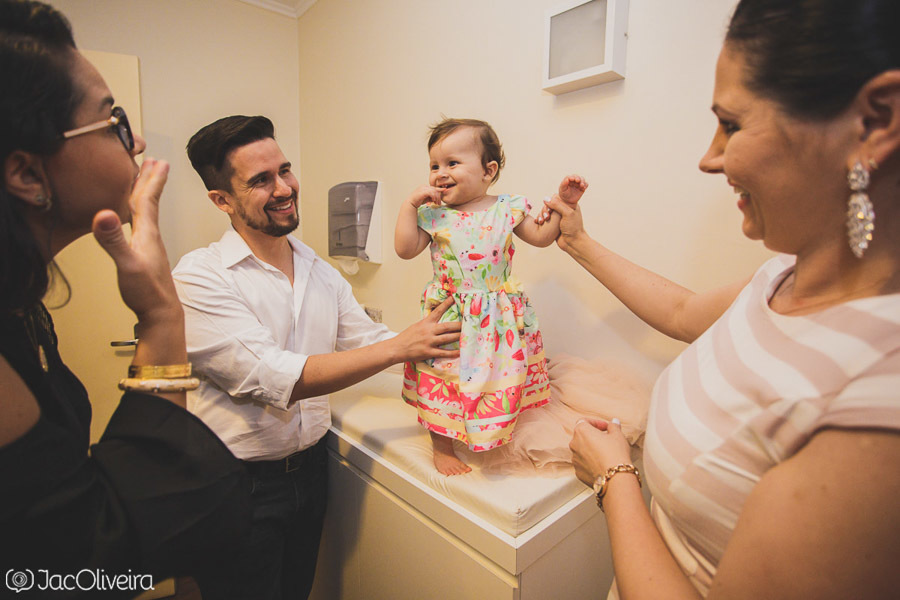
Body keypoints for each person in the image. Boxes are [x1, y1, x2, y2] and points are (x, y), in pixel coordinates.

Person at [549, 0, 900, 597]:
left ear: (874, 121)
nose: (710, 158)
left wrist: (615, 479)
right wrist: (578, 242)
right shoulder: (788, 274)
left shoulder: (877, 397)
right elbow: (685, 314)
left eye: (732, 124)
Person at [0, 0, 250, 590]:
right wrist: (161, 315)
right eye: (111, 121)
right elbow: (78, 567)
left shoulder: (22, 311)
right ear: (29, 174)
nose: (135, 138)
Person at [173, 114, 462, 600]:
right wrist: (402, 345)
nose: (285, 188)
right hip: (237, 486)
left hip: (310, 472)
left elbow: (369, 339)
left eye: (285, 170)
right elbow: (266, 374)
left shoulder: (318, 271)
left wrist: (474, 354)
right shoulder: (200, 276)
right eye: (261, 180)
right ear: (221, 200)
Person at [395, 117, 587, 475]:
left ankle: (489, 430)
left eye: (452, 163)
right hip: (451, 315)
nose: (440, 173)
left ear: (488, 170)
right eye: (434, 165)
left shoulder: (508, 207)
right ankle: (442, 445)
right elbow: (405, 249)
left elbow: (543, 237)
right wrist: (409, 206)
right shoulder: (433, 215)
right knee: (443, 376)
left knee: (500, 377)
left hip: (497, 318)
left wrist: (564, 205)